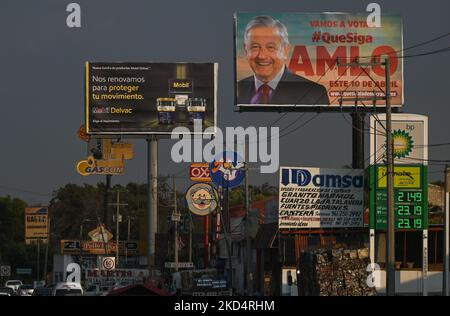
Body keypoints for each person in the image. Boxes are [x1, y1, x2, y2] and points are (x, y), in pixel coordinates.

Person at [237, 15, 329, 105]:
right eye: (255, 47)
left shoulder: (313, 93)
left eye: (270, 47)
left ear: (285, 50)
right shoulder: (235, 89)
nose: (262, 56)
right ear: (246, 50)